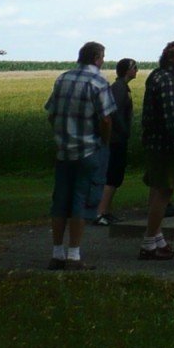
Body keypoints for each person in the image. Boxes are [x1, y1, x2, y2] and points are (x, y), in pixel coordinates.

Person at [44, 41, 115, 270]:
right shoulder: (98, 82)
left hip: (64, 150)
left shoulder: (62, 78)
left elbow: (51, 113)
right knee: (81, 201)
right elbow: (105, 118)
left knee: (60, 200)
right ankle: (74, 255)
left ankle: (57, 253)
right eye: (102, 57)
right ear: (96, 58)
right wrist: (104, 140)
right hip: (88, 149)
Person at [139, 39, 174, 261]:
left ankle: (157, 239)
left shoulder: (158, 75)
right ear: (170, 57)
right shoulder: (169, 80)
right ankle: (149, 243)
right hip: (165, 145)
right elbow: (172, 114)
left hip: (155, 143)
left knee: (157, 189)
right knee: (164, 191)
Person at [93, 58, 138, 226]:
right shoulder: (119, 88)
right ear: (127, 70)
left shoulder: (121, 87)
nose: (137, 71)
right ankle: (100, 212)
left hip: (117, 137)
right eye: (134, 68)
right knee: (113, 175)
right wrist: (124, 130)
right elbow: (115, 111)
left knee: (115, 175)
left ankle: (106, 211)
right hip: (116, 139)